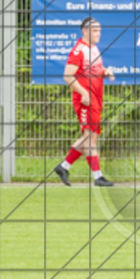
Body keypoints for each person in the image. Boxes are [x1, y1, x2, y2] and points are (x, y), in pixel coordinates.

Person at [54, 17, 115, 186]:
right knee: (89, 137)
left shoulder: (94, 49)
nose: (98, 34)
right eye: (95, 31)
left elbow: (93, 70)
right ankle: (95, 176)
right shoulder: (78, 50)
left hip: (95, 97)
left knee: (91, 137)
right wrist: (83, 93)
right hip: (86, 100)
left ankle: (67, 167)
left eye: (99, 30)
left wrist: (105, 72)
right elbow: (68, 75)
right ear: (85, 31)